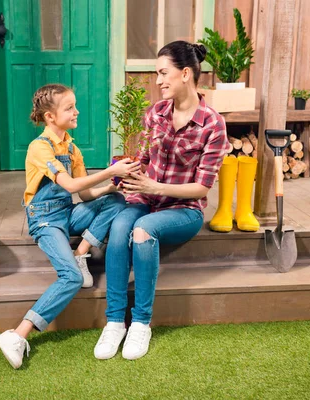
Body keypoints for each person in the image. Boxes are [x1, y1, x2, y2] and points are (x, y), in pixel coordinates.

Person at [94, 41, 229, 361]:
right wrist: (114, 179)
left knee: (141, 230)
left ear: (185, 74)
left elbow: (201, 188)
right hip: (145, 197)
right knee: (120, 226)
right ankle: (115, 321)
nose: (158, 80)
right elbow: (141, 158)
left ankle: (140, 322)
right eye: (158, 74)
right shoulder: (155, 113)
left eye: (163, 73)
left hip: (184, 209)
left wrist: (155, 187)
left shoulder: (213, 123)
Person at [0, 83, 140, 369]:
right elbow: (71, 185)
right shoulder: (40, 148)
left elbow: (84, 195)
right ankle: (17, 334)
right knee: (71, 278)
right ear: (50, 117)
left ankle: (81, 252)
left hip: (67, 212)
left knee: (116, 201)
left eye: (75, 105)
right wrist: (110, 170)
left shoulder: (71, 147)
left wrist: (113, 185)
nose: (77, 111)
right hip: (45, 219)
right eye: (69, 107)